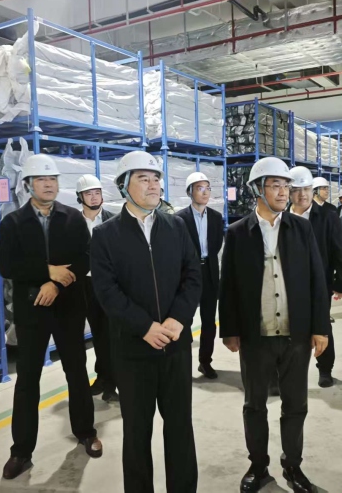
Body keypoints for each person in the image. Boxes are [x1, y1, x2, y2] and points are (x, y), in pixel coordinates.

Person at [91, 151, 202, 493]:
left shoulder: (176, 226)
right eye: (143, 179)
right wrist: (145, 327)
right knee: (137, 432)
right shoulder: (105, 235)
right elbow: (107, 291)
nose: (154, 185)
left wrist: (179, 318)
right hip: (133, 351)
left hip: (175, 348)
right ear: (124, 186)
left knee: (180, 427)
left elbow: (193, 276)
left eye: (156, 179)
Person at [219, 157, 329, 493]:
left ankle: (293, 466)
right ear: (257, 190)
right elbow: (228, 285)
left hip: (296, 336)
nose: (284, 192)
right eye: (275, 186)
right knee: (254, 405)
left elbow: (317, 280)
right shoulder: (238, 233)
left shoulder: (301, 229)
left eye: (286, 186)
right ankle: (258, 465)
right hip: (256, 336)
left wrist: (320, 327)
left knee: (295, 405)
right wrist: (230, 330)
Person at [0, 154, 102, 480]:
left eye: (53, 180)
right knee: (27, 380)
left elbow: (86, 258)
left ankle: (85, 432)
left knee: (76, 372)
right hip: (32, 311)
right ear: (28, 185)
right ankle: (21, 451)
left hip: (68, 307)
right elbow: (7, 265)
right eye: (41, 180)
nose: (48, 185)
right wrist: (47, 272)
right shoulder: (13, 223)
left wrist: (55, 283)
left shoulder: (72, 219)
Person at [288, 166, 342, 388]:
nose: (302, 195)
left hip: (319, 282)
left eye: (306, 189)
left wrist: (341, 283)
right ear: (289, 192)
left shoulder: (327, 217)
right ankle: (284, 371)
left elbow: (339, 251)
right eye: (296, 190)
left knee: (322, 325)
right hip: (288, 284)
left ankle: (325, 368)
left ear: (312, 191)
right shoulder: (281, 217)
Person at [177, 171, 224, 379]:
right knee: (185, 320)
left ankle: (205, 362)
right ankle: (183, 363)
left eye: (207, 188)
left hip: (210, 272)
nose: (205, 193)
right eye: (199, 188)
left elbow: (217, 245)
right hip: (188, 274)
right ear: (190, 192)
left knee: (208, 321)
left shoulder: (216, 217)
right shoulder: (179, 219)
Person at [76, 174, 118, 401]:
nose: (94, 197)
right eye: (89, 193)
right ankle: (102, 378)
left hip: (107, 284)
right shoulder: (74, 223)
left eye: (97, 192)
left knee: (109, 334)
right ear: (80, 197)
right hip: (82, 284)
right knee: (96, 335)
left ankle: (111, 383)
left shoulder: (113, 220)